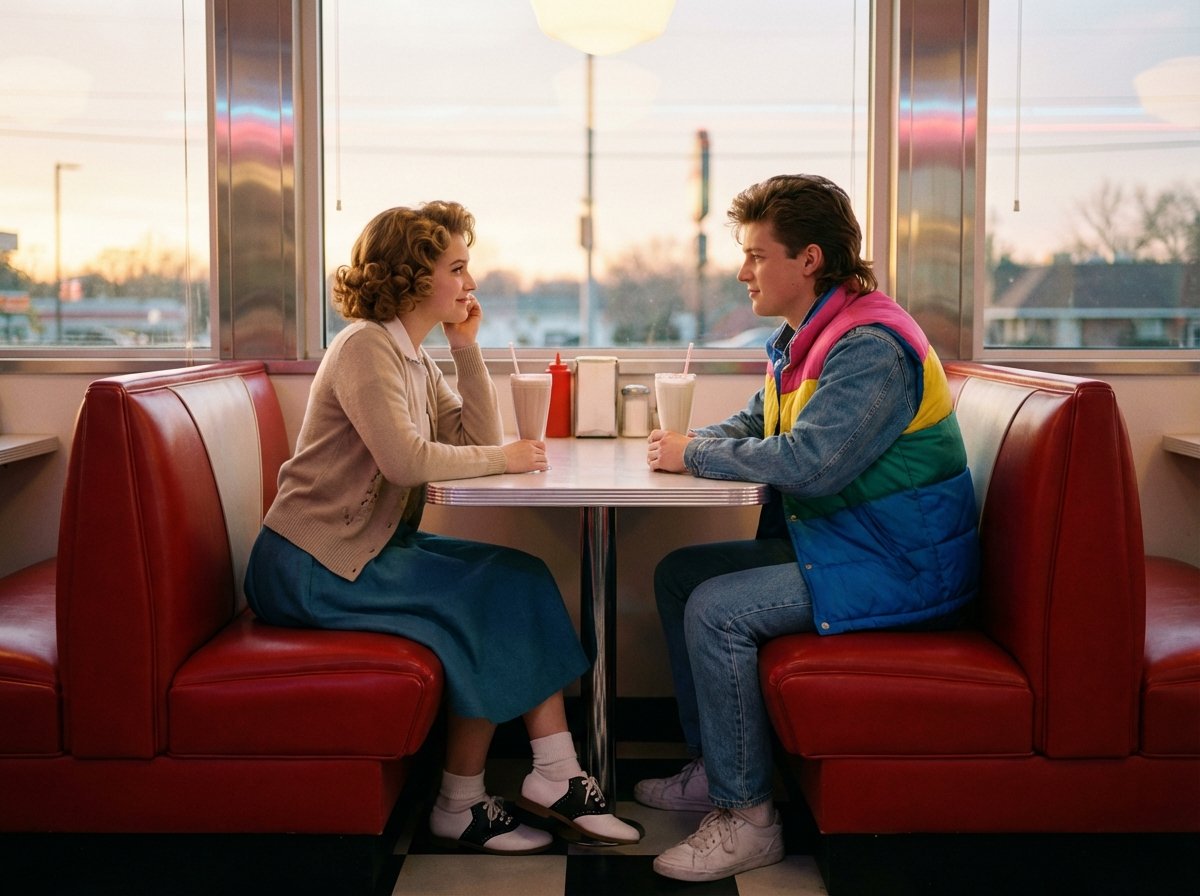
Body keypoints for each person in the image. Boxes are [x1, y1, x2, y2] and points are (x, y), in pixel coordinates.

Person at [244, 201, 639, 854]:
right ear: (412, 275)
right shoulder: (366, 348)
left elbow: (473, 438)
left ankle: (508, 786)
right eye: (456, 268)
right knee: (483, 596)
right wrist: (505, 458)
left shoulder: (414, 358)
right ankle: (537, 780)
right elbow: (408, 461)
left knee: (519, 573)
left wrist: (464, 350)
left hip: (363, 554)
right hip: (310, 565)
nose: (468, 283)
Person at [636, 174, 979, 882]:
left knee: (717, 610)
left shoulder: (870, 348)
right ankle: (715, 767)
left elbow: (812, 462)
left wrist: (694, 454)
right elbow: (760, 421)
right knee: (679, 575)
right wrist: (692, 441)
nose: (743, 271)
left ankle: (749, 817)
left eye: (757, 256)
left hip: (901, 564)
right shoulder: (808, 338)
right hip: (848, 546)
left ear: (810, 260)